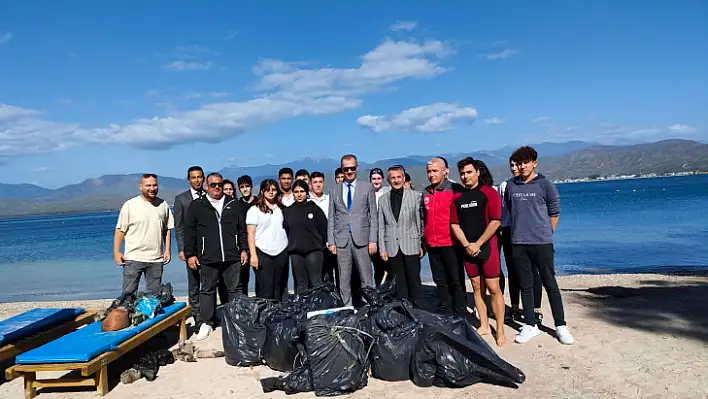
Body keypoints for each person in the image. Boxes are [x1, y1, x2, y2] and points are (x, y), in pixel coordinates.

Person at [505, 146, 574, 345]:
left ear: (534, 162)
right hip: (518, 243)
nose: (522, 166)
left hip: (542, 243)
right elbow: (512, 210)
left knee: (550, 283)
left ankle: (560, 326)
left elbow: (554, 212)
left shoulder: (545, 185)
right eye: (519, 163)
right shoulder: (511, 186)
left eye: (526, 162)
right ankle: (530, 324)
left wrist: (546, 233)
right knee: (526, 285)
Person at [183, 172, 248, 341]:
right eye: (213, 185)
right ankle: (207, 322)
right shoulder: (197, 206)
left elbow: (242, 230)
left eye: (219, 184)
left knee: (235, 289)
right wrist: (191, 254)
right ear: (206, 185)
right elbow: (189, 232)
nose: (217, 188)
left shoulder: (233, 204)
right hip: (208, 257)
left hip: (232, 256)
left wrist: (244, 249)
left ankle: (237, 320)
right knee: (207, 290)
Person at [451, 158, 506, 346]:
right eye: (463, 174)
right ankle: (483, 324)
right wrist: (467, 244)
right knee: (476, 287)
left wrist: (478, 243)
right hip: (468, 250)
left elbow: (496, 221)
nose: (465, 176)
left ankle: (499, 330)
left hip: (487, 248)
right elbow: (454, 224)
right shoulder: (457, 198)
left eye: (469, 172)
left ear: (478, 172)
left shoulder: (489, 193)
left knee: (493, 288)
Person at [327, 154, 378, 306]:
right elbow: (332, 217)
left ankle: (369, 307)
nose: (349, 171)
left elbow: (373, 217)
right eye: (346, 169)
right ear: (342, 169)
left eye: (352, 168)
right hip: (341, 240)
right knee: (343, 279)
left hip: (362, 239)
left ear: (357, 168)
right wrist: (331, 241)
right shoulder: (334, 190)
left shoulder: (367, 187)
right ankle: (347, 309)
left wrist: (373, 240)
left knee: (366, 278)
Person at [114, 174, 174, 296]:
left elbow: (167, 229)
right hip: (133, 258)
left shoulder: (163, 205)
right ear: (141, 187)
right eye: (148, 185)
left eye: (154, 185)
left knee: (154, 297)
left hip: (156, 259)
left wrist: (167, 250)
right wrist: (116, 252)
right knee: (128, 295)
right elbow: (120, 230)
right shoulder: (130, 205)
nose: (152, 188)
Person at [498, 159, 543, 323]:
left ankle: (536, 309)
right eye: (511, 165)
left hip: (530, 231)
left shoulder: (536, 185)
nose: (515, 168)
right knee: (513, 270)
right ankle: (515, 307)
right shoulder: (504, 186)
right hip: (509, 231)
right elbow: (501, 211)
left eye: (517, 164)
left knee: (533, 271)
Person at [421, 157, 467, 317]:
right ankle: (445, 309)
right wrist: (424, 242)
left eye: (435, 171)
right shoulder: (426, 192)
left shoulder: (456, 190)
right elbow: (423, 219)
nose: (431, 174)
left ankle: (460, 312)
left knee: (455, 279)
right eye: (429, 171)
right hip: (433, 244)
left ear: (445, 171)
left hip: (451, 243)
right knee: (439, 280)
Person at [377, 165, 424, 307]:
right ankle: (404, 309)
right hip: (392, 245)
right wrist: (382, 248)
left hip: (411, 243)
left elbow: (419, 221)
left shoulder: (415, 196)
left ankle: (418, 309)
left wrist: (421, 243)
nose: (396, 180)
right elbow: (381, 225)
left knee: (414, 279)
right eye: (393, 178)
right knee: (399, 281)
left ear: (404, 178)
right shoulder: (383, 199)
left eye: (399, 177)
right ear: (388, 180)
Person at [247, 179, 290, 301]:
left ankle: (278, 314)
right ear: (262, 191)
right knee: (265, 288)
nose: (271, 192)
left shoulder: (282, 209)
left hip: (281, 251)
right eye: (268, 189)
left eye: (274, 189)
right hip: (262, 252)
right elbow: (250, 234)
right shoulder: (254, 210)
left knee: (279, 286)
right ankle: (265, 315)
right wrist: (253, 256)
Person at [173, 166, 205, 323]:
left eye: (199, 177)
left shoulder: (208, 196)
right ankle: (197, 315)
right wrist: (182, 249)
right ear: (189, 180)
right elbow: (178, 226)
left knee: (209, 282)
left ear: (203, 179)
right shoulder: (181, 199)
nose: (197, 180)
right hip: (191, 248)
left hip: (208, 248)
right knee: (194, 283)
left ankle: (208, 313)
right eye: (194, 177)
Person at [283, 180, 327, 293]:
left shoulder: (315, 209)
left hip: (314, 251)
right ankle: (302, 309)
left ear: (306, 192)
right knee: (301, 284)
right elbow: (286, 231)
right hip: (296, 253)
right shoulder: (288, 211)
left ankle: (319, 308)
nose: (299, 194)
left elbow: (324, 229)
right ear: (293, 193)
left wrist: (319, 243)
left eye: (302, 191)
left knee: (316, 282)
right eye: (296, 191)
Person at [474, 160, 506, 295]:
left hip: (492, 235)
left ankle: (497, 296)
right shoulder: (468, 193)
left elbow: (497, 217)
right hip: (474, 236)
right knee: (478, 269)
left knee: (493, 268)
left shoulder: (492, 191)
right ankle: (482, 298)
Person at [309, 171, 336, 283]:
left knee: (329, 276)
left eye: (320, 182)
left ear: (324, 183)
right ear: (310, 184)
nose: (318, 184)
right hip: (312, 246)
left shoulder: (330, 199)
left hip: (328, 245)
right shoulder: (306, 201)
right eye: (315, 182)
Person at [369, 167, 391, 285]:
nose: (376, 181)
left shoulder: (387, 192)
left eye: (378, 178)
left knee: (388, 266)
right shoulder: (367, 194)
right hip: (373, 237)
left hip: (386, 236)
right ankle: (378, 290)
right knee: (377, 267)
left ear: (382, 179)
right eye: (373, 179)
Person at [237, 175, 256, 295]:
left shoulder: (259, 203)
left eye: (247, 186)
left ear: (251, 187)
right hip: (243, 247)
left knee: (262, 278)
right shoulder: (237, 206)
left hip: (259, 245)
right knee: (243, 279)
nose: (245, 189)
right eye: (242, 187)